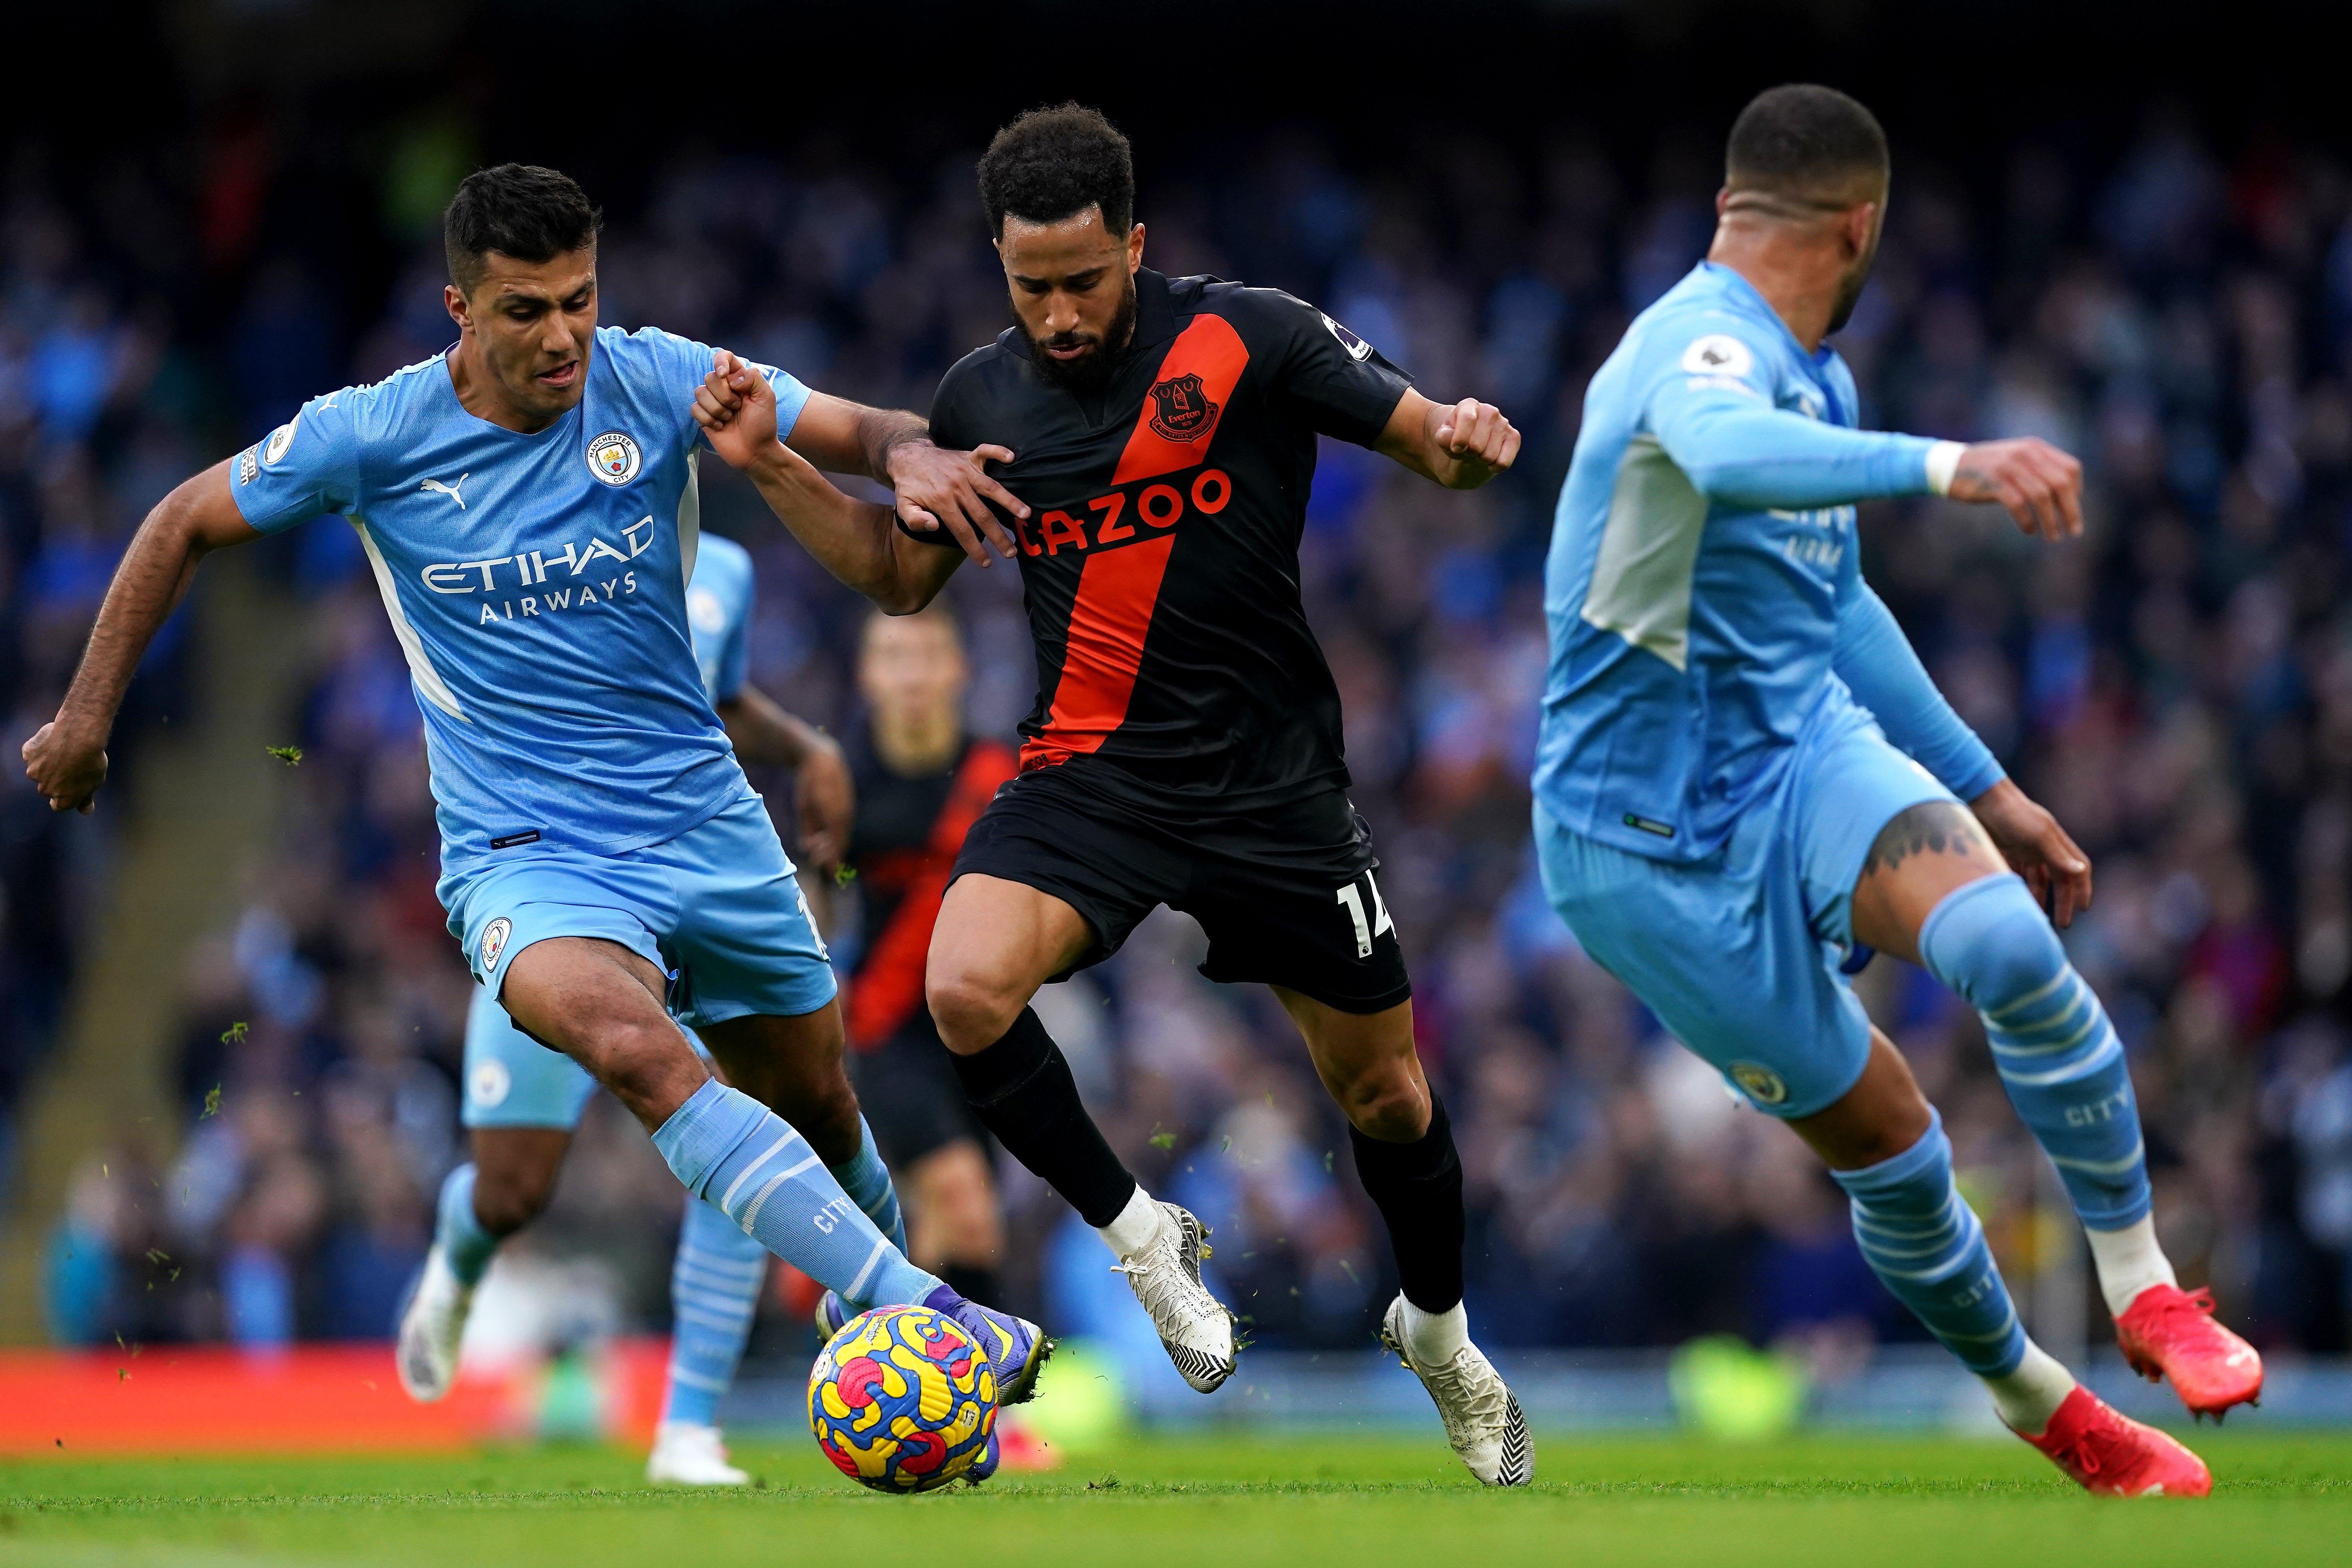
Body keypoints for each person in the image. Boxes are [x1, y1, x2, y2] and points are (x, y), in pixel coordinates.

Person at [19, 164, 1050, 1458]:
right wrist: (85, 719)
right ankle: (924, 1313)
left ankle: (932, 1392)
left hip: (705, 826)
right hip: (526, 855)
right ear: (458, 307)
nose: (562, 335)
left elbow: (863, 427)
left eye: (578, 300)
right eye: (524, 311)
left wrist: (913, 448)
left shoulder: (658, 375)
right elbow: (179, 520)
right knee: (620, 1059)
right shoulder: (372, 433)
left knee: (824, 1111)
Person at [690, 106, 1532, 1485]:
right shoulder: (979, 405)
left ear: (1134, 245)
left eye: (1085, 280)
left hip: (1274, 790)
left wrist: (1465, 438)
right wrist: (774, 464)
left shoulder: (1247, 337)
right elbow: (902, 578)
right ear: (999, 269)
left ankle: (1438, 1339)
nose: (1062, 311)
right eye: (1032, 287)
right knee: (966, 987)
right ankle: (1147, 1240)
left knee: (1383, 1093)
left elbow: (1422, 436)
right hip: (1094, 775)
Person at [1531, 85, 2260, 1498]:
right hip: (1638, 850)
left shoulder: (1818, 376)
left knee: (2001, 941)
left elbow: (1840, 605)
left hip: (1796, 745)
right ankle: (2042, 1405)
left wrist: (1989, 787)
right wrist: (1954, 464)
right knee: (1894, 1145)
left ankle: (2147, 1289)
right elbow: (1726, 457)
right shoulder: (1690, 349)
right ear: (1861, 225)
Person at [420, 530, 856, 1486]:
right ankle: (461, 1254)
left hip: (681, 898)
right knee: (513, 1191)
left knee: (740, 1123)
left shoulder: (729, 570)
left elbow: (717, 706)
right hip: (555, 903)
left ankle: (688, 1428)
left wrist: (805, 745)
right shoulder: (529, 545)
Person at [836, 604, 1018, 1306]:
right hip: (886, 1033)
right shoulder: (839, 784)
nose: (911, 674)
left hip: (982, 1032)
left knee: (955, 1233)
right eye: (892, 655)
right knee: (963, 1202)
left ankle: (940, 1405)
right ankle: (993, 1402)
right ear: (867, 673)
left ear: (958, 668)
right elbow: (813, 906)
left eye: (926, 654)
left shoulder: (999, 777)